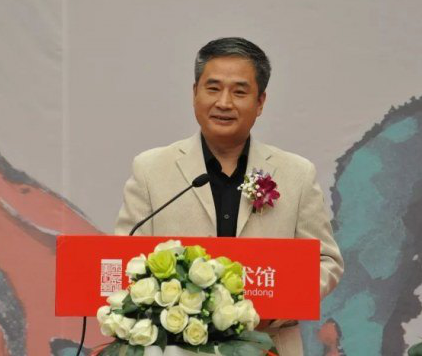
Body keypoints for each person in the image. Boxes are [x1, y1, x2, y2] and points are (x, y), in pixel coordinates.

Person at [115, 37, 343, 355]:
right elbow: (127, 261)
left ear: (260, 102)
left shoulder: (296, 174)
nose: (224, 102)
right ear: (195, 93)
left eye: (239, 92)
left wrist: (276, 308)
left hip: (268, 346)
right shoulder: (151, 169)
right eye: (213, 88)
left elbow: (326, 262)